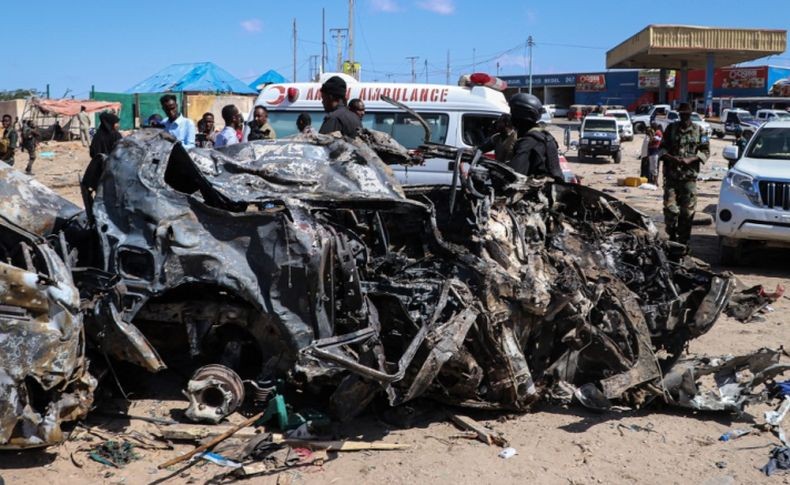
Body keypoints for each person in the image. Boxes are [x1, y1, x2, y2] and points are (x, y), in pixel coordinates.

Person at [660, 102, 710, 246]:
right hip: (672, 177)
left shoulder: (699, 130)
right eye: (682, 114)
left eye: (686, 115)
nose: (684, 117)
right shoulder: (671, 129)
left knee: (687, 213)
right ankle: (672, 234)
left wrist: (691, 159)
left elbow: (705, 151)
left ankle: (683, 241)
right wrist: (671, 158)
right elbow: (661, 148)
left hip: (689, 178)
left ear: (691, 114)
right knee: (671, 210)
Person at [507, 93, 564, 181]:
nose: (511, 117)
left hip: (540, 188)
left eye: (512, 113)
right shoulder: (545, 136)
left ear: (519, 116)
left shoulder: (528, 142)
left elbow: (515, 176)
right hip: (553, 185)